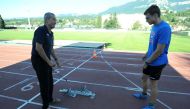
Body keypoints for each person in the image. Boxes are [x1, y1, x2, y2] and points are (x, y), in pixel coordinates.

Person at [133, 5, 172, 109]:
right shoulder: (154, 27)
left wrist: (147, 62)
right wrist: (146, 54)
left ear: (155, 15)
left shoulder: (165, 28)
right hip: (150, 60)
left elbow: (159, 50)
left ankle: (151, 106)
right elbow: (152, 44)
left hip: (157, 62)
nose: (146, 20)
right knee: (143, 78)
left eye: (147, 18)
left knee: (153, 84)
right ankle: (144, 95)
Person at [31, 12, 60, 109]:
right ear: (47, 20)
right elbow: (38, 48)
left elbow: (51, 49)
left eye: (55, 20)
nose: (55, 22)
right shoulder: (40, 30)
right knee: (44, 84)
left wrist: (56, 59)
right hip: (38, 61)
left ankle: (50, 99)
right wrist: (49, 61)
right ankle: (45, 106)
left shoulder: (51, 33)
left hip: (46, 60)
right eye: (53, 19)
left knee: (50, 81)